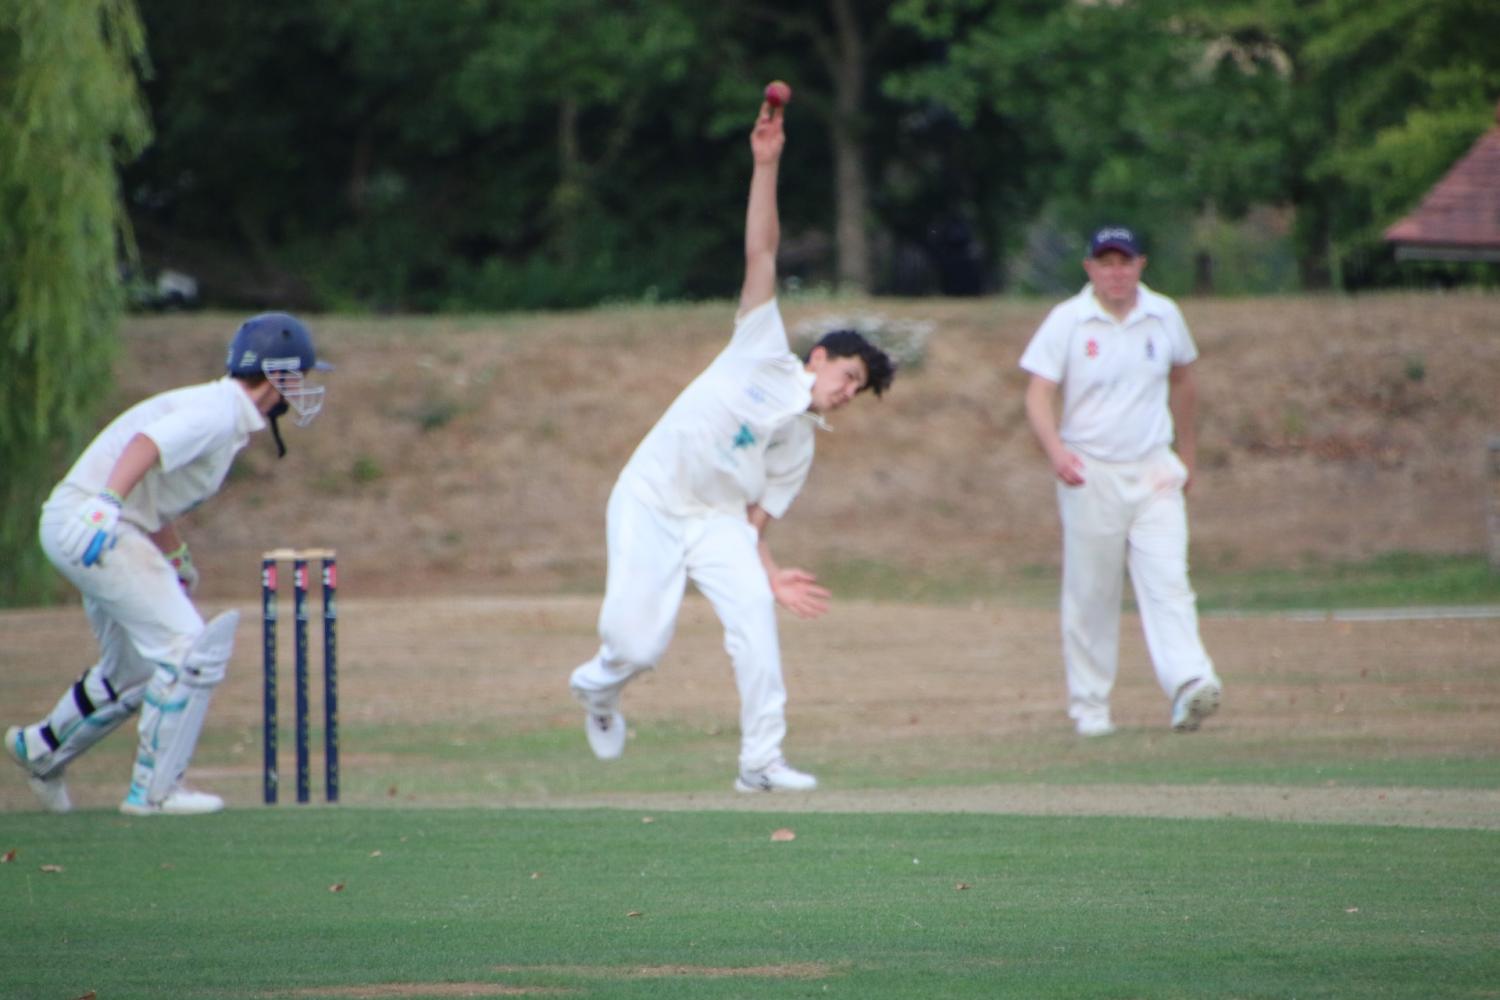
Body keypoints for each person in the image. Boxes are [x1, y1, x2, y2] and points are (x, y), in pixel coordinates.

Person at [567, 95, 895, 792]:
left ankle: (759, 764)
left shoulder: (802, 447)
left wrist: (769, 575)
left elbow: (754, 524)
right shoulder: (760, 348)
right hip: (653, 498)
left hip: (716, 524)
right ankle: (598, 686)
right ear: (819, 356)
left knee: (754, 619)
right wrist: (766, 164)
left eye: (857, 390)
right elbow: (762, 249)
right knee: (638, 646)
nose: (846, 392)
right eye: (849, 375)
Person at [5, 313, 332, 815]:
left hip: (95, 523)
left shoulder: (226, 417)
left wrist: (174, 553)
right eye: (301, 375)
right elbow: (147, 445)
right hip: (94, 525)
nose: (305, 388)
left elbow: (156, 489)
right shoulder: (217, 412)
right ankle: (155, 792)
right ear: (279, 375)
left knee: (135, 669)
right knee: (187, 650)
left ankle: (42, 749)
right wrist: (107, 503)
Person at [1019, 226, 1222, 737]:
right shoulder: (1068, 320)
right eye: (1105, 263)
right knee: (1092, 593)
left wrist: (1187, 457)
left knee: (1169, 580)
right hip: (1090, 471)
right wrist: (1057, 453)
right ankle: (1090, 710)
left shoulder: (1164, 314)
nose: (1116, 272)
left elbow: (1184, 382)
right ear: (1090, 268)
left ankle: (1189, 683)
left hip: (1154, 467)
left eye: (1124, 262)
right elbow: (1038, 394)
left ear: (1140, 265)